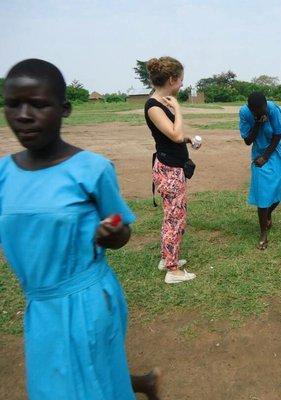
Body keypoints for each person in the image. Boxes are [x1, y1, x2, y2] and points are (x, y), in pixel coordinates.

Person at [0, 59, 161, 399]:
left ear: (65, 109)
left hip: (87, 302)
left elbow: (122, 231)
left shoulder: (92, 169)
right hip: (40, 307)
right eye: (13, 105)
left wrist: (113, 233)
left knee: (90, 386)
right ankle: (141, 384)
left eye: (39, 104)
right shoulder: (4, 174)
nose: (24, 115)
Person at [144, 56, 196, 284]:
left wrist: (187, 139)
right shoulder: (154, 106)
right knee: (174, 218)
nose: (182, 85)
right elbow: (173, 134)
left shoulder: (161, 103)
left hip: (173, 167)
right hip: (168, 170)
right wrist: (178, 109)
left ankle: (169, 258)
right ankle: (172, 270)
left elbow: (173, 137)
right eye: (181, 80)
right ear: (172, 79)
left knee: (175, 215)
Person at [239, 92, 281, 249]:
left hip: (275, 151)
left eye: (265, 108)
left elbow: (278, 134)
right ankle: (263, 233)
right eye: (262, 110)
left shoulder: (273, 109)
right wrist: (258, 123)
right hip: (258, 154)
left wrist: (267, 156)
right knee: (263, 193)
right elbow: (248, 140)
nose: (266, 111)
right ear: (252, 110)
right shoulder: (245, 113)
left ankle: (267, 214)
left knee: (278, 189)